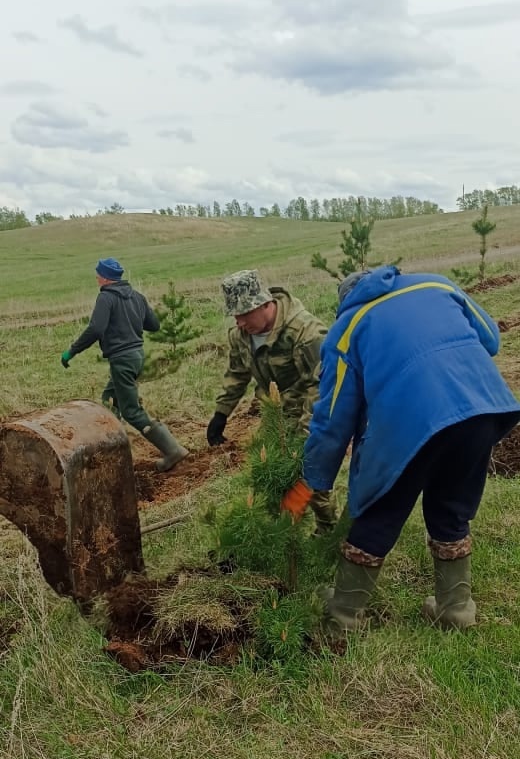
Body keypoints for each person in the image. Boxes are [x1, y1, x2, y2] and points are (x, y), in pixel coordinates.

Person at [281, 265, 520, 631]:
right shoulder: (437, 283)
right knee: (452, 507)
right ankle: (455, 609)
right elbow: (490, 338)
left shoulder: (348, 328)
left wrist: (313, 481)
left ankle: (343, 616)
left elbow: (332, 419)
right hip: (479, 409)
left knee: (381, 509)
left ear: (345, 302)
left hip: (410, 423)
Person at [206, 268, 336, 532]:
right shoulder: (241, 335)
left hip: (307, 414)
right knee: (268, 471)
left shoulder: (305, 332)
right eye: (235, 315)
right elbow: (237, 374)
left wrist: (308, 433)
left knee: (309, 477)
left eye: (244, 314)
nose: (239, 322)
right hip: (273, 413)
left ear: (264, 304)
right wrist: (221, 413)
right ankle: (275, 532)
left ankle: (327, 532)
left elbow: (321, 387)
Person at [61, 257, 188, 472]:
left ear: (104, 277)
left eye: (98, 274)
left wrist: (72, 351)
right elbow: (154, 325)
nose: (96, 277)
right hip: (137, 357)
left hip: (122, 360)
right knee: (110, 401)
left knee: (131, 411)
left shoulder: (106, 298)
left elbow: (96, 329)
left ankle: (172, 450)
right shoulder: (137, 296)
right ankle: (113, 450)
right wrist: (132, 320)